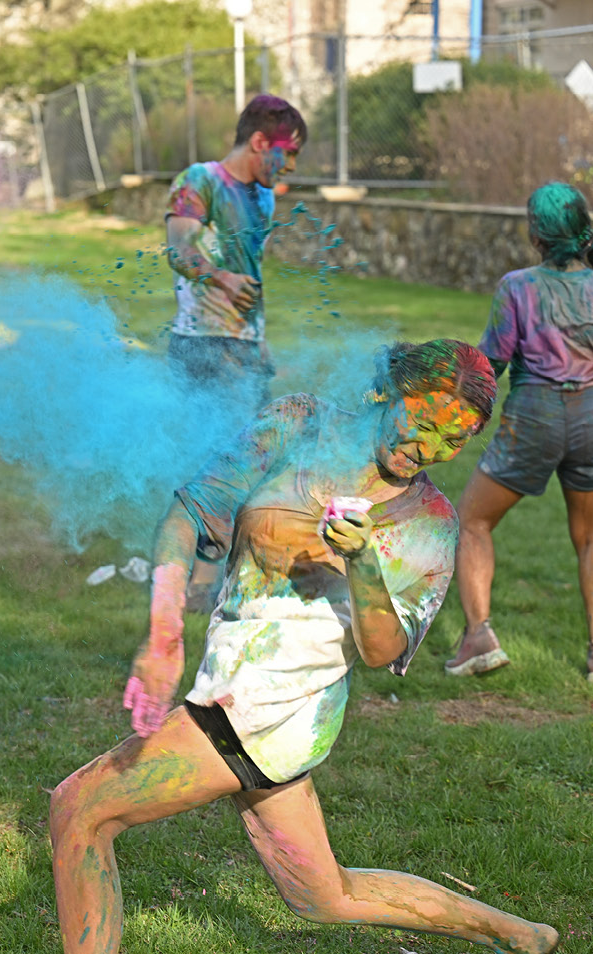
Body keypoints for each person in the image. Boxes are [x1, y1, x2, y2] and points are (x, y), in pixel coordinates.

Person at [48, 340, 560, 954]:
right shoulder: (298, 424)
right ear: (387, 391)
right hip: (253, 695)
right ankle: (520, 935)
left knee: (80, 810)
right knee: (325, 896)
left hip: (269, 706)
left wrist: (362, 560)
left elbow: (382, 650)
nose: (427, 449)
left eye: (450, 443)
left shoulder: (430, 521)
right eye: (421, 422)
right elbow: (188, 513)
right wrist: (163, 634)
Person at [448, 181, 593, 680]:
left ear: (536, 235)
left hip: (536, 417)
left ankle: (479, 639)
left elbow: (494, 362)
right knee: (590, 537)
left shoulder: (518, 287)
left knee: (472, 520)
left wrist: (460, 405)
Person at [164, 94, 306, 412]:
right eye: (289, 153)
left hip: (245, 346)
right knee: (225, 452)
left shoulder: (263, 198)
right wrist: (222, 278)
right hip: (202, 344)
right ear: (259, 141)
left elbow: (248, 269)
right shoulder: (200, 180)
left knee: (260, 449)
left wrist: (257, 338)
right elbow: (178, 251)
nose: (292, 166)